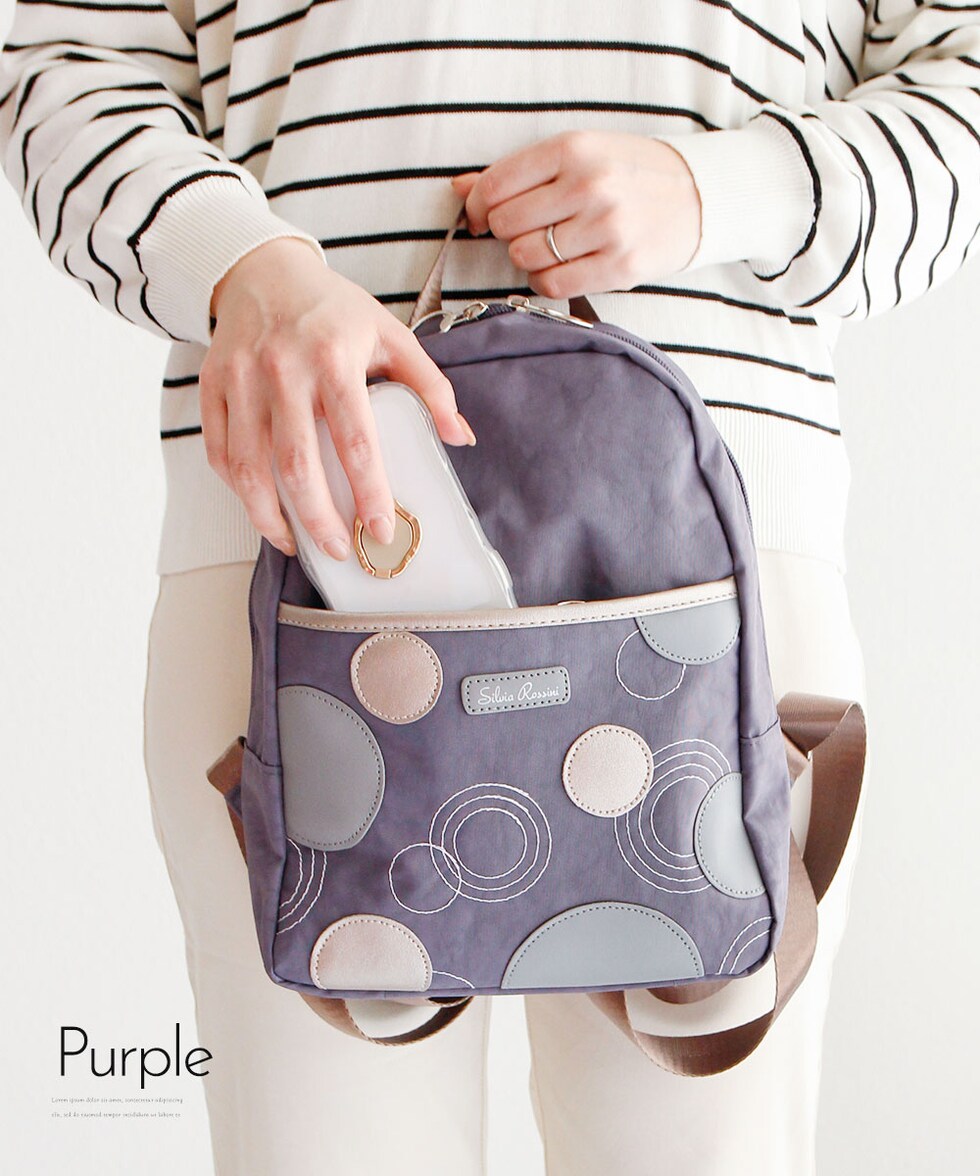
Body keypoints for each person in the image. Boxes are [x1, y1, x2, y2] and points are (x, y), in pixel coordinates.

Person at [2, 2, 977, 1172]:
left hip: (706, 560)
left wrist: (721, 187)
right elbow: (68, 68)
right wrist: (239, 265)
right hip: (308, 517)